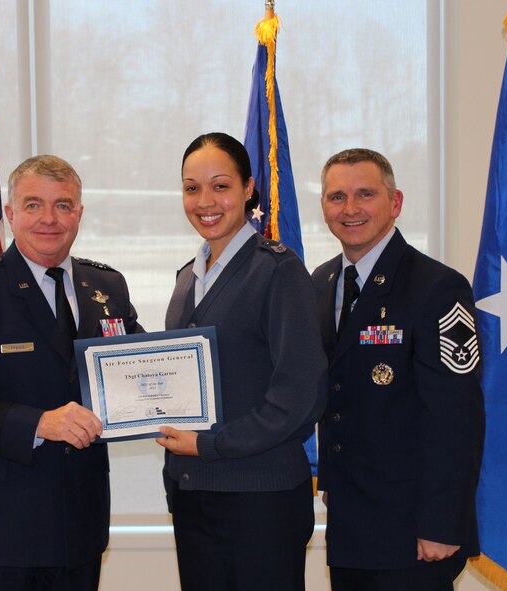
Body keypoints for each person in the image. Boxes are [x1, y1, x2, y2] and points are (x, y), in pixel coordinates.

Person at [0, 155, 141, 591]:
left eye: (63, 205)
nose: (49, 219)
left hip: (78, 523)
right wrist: (41, 422)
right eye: (33, 205)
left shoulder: (107, 287)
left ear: (79, 213)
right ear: (10, 213)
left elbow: (135, 370)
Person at [156, 132, 328, 591]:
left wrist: (209, 444)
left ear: (249, 188)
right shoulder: (184, 280)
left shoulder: (278, 270)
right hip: (194, 495)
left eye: (220, 185)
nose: (205, 201)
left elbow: (299, 398)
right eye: (192, 188)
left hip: (260, 500)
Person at [312, 148, 485, 591]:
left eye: (365, 194)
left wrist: (443, 523)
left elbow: (456, 417)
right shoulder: (322, 281)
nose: (350, 209)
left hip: (413, 529)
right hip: (350, 520)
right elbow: (336, 392)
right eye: (336, 197)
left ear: (396, 202)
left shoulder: (437, 287)